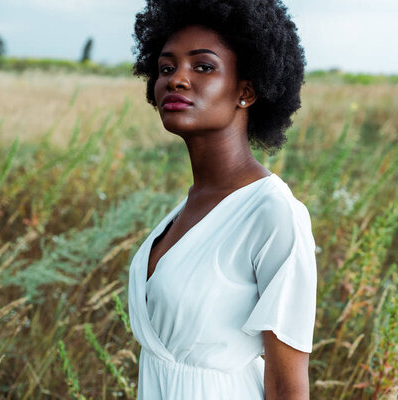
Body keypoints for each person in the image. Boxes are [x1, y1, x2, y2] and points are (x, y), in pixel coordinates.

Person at [127, 0, 317, 399]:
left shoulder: (272, 212)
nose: (177, 79)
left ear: (246, 90)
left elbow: (288, 387)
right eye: (166, 67)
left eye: (203, 66)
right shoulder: (193, 202)